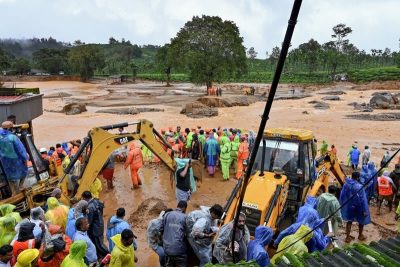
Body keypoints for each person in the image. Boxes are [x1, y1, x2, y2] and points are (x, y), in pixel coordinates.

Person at [340, 171, 370, 243]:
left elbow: (342, 195)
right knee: (361, 220)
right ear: (358, 177)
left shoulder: (346, 184)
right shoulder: (359, 187)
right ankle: (360, 235)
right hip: (358, 206)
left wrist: (343, 205)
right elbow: (362, 199)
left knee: (349, 221)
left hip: (349, 206)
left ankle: (347, 237)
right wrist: (364, 210)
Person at [0, 121, 28, 196]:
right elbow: (20, 150)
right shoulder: (13, 137)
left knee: (9, 176)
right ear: (9, 128)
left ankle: (13, 192)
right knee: (24, 171)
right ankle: (21, 186)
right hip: (15, 160)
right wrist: (25, 159)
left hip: (4, 161)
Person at [81, 191, 109, 258]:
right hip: (100, 223)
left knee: (99, 244)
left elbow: (89, 220)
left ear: (85, 198)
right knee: (99, 242)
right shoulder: (97, 201)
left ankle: (109, 255)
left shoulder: (90, 207)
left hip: (95, 228)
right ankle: (102, 255)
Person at [161, 201, 187, 267]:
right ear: (184, 208)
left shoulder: (167, 214)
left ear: (177, 206)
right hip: (178, 250)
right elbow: (187, 232)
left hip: (166, 248)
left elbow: (163, 228)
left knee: (169, 263)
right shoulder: (184, 217)